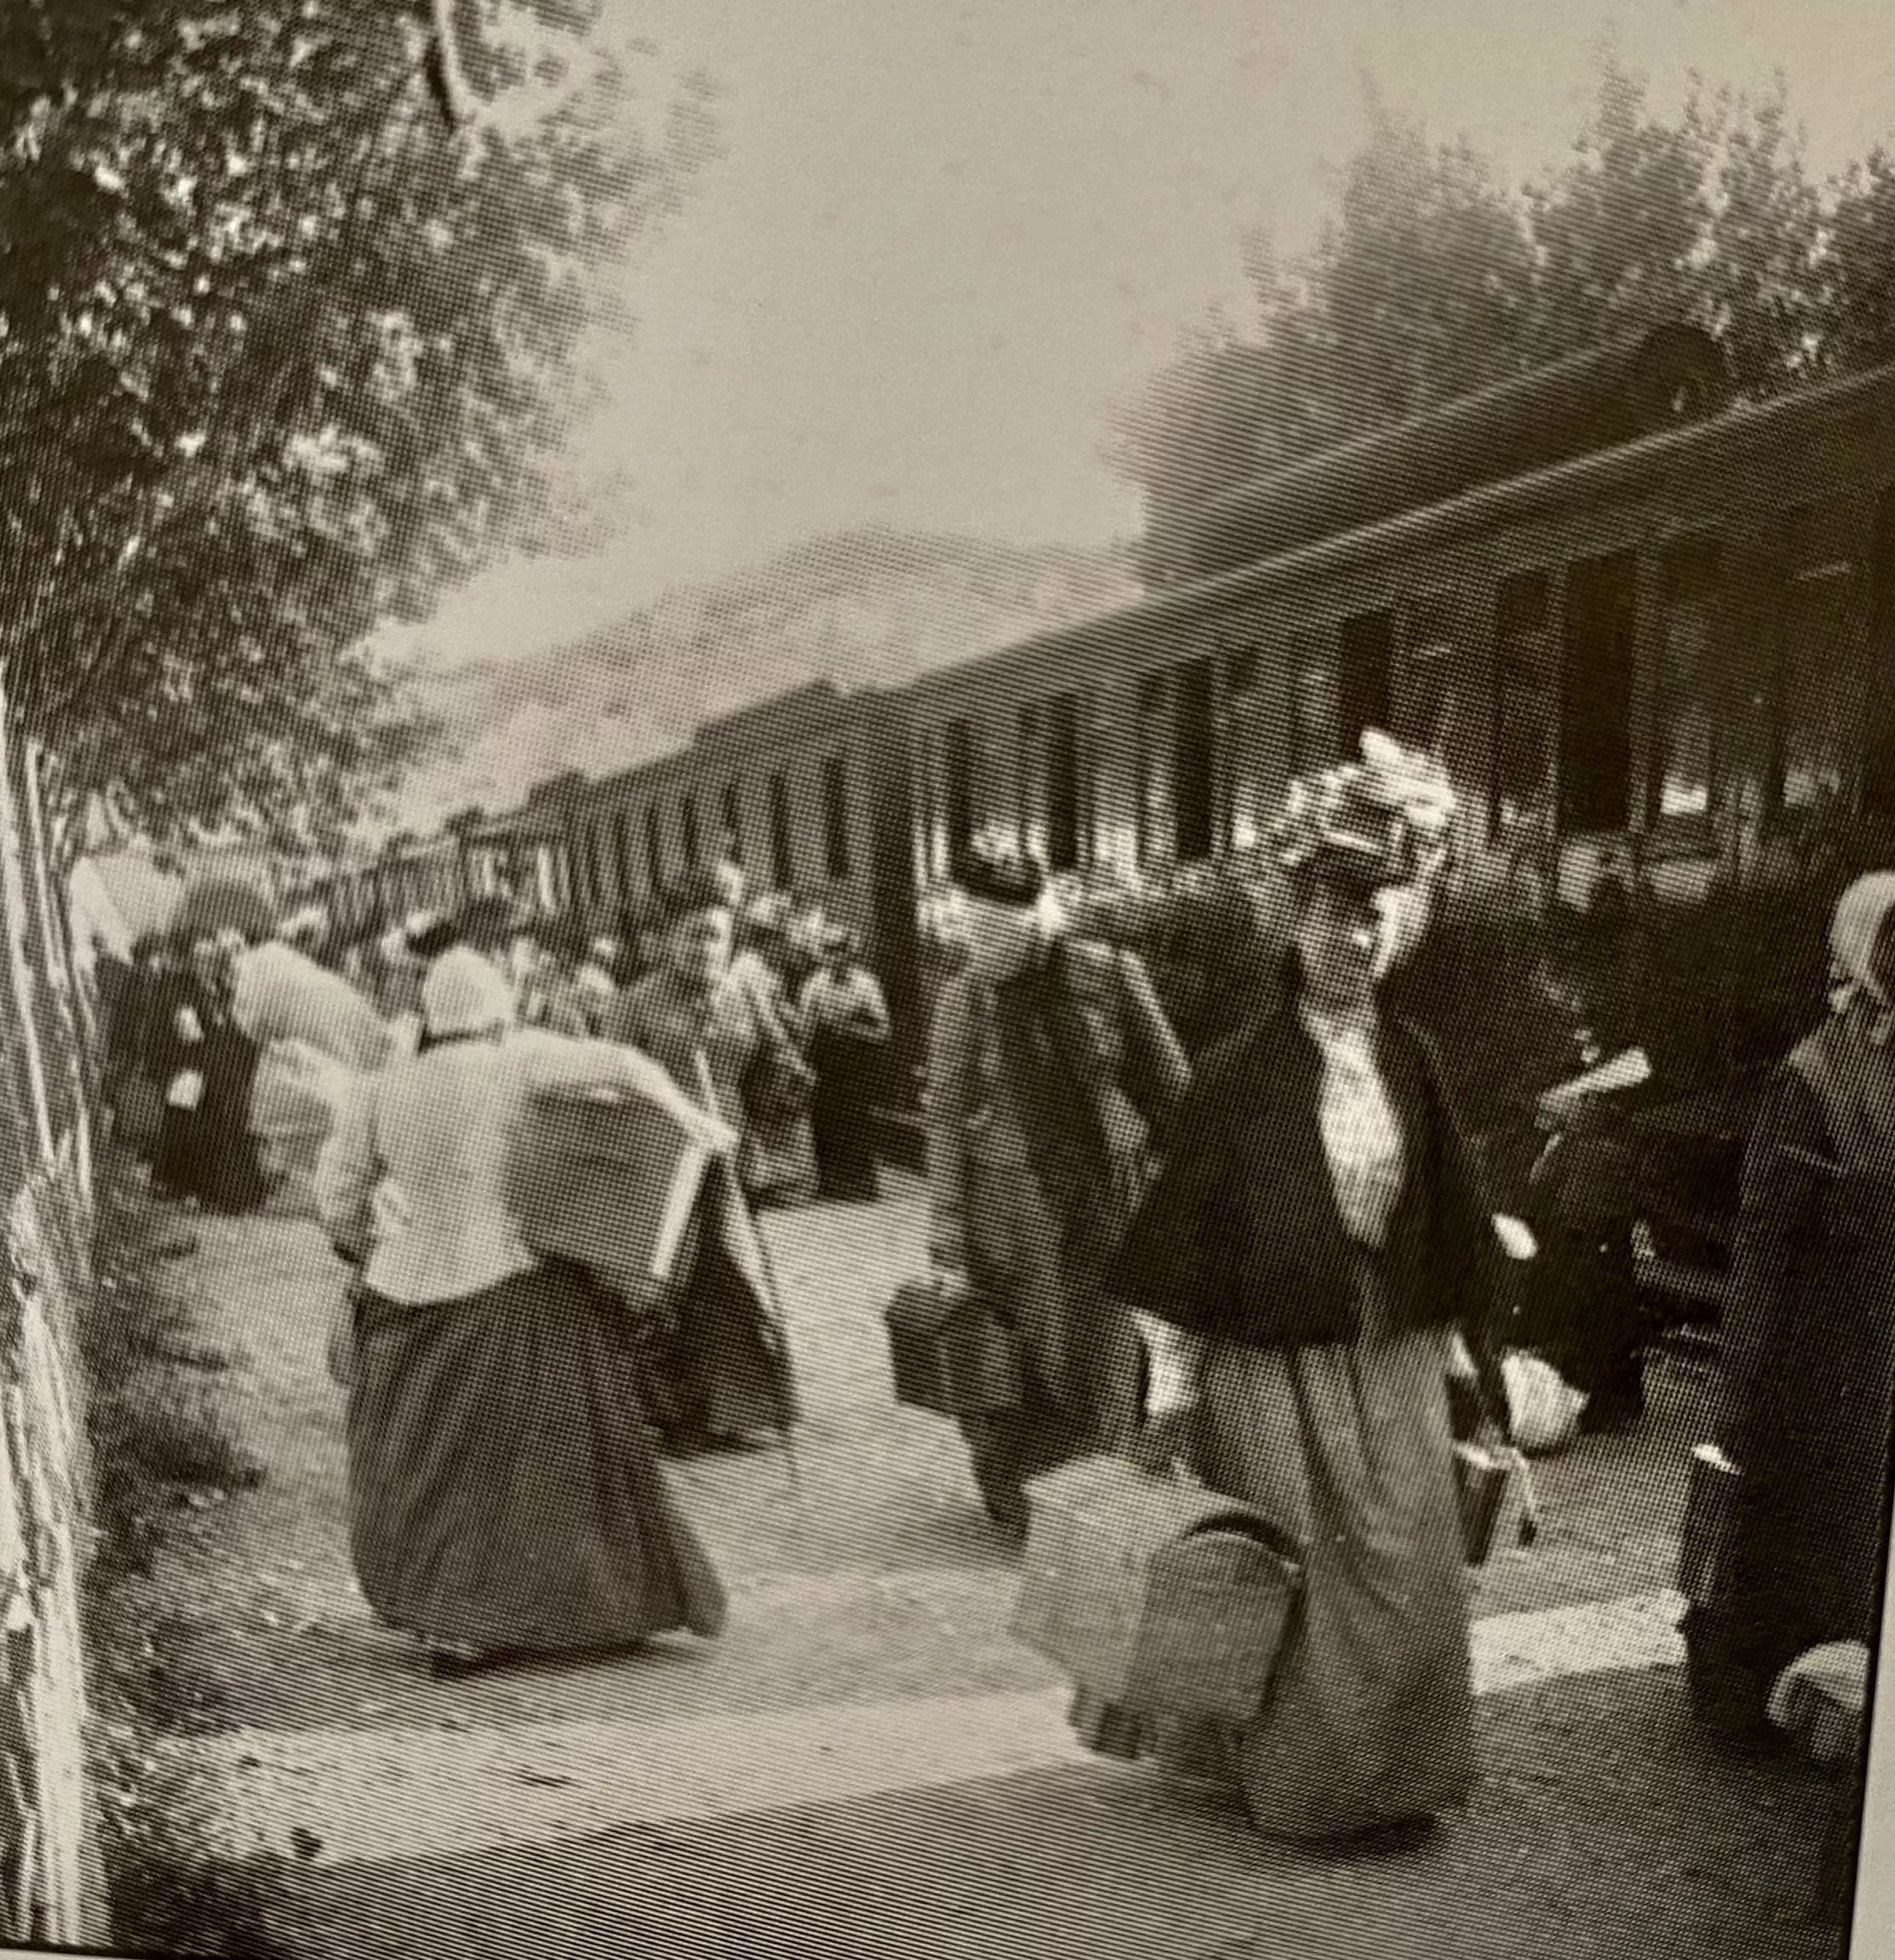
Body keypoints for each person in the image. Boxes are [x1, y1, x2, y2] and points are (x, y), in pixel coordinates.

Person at [1100, 737, 1510, 1853]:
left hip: (1392, 1352)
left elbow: (1443, 1232)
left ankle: (1401, 1777)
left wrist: (1467, 1375)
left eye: (1378, 913)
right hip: (1272, 1361)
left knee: (1409, 1561)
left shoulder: (1413, 1056)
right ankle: (1314, 1793)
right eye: (1335, 914)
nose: (1357, 938)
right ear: (1293, 921)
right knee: (1313, 1577)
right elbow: (1179, 1247)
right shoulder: (1239, 1072)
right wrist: (1172, 1396)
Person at [312, 946, 735, 1676]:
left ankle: (446, 1615)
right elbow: (629, 1067)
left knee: (424, 1459)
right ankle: (560, 1609)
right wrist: (698, 1124)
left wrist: (373, 1249)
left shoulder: (382, 1085)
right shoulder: (521, 1059)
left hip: (405, 1291)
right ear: (499, 1015)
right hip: (508, 1282)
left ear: (430, 1018)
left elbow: (339, 1200)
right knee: (539, 1457)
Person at [924, 844, 1191, 1536]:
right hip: (1004, 1217)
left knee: (1103, 1352)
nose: (981, 949)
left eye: (999, 935)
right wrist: (947, 1240)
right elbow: (947, 1120)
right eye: (971, 932)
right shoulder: (964, 1001)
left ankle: (1093, 1499)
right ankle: (1023, 1492)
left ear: (1038, 923)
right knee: (1018, 1358)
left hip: (1104, 1202)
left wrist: (1182, 1181)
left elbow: (1176, 1092)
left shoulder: (1108, 974)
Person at [1687, 871, 1895, 1746]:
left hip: (1880, 1351)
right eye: (1891, 944)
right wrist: (1739, 1386)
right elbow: (1765, 1247)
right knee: (1788, 1533)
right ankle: (1766, 1693)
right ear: (1860, 951)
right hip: (1814, 1358)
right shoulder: (1811, 1076)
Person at [600, 873, 802, 1454]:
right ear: (666, 941)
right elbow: (613, 1082)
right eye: (691, 937)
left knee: (735, 1276)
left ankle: (738, 1407)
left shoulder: (742, 996)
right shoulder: (633, 1003)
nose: (704, 948)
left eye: (715, 936)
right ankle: (672, 1413)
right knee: (670, 1284)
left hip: (728, 1162)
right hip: (661, 1165)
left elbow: (778, 1057)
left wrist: (785, 1079)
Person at [151, 932, 271, 1214]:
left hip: (225, 1065)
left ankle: (243, 1193)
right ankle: (217, 1195)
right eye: (201, 959)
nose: (207, 964)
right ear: (192, 962)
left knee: (233, 1126)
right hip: (202, 1068)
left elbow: (232, 1024)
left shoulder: (219, 988)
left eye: (211, 959)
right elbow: (187, 1033)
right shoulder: (184, 993)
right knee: (211, 1132)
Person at [727, 898, 819, 1209]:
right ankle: (778, 1191)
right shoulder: (749, 970)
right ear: (770, 939)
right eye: (785, 939)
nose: (791, 948)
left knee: (784, 1127)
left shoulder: (762, 969)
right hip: (767, 1065)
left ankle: (782, 1187)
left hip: (776, 1061)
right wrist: (795, 1063)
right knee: (777, 1126)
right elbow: (768, 1026)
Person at [800, 928, 891, 1200]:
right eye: (829, 951)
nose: (836, 958)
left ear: (850, 953)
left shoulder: (866, 983)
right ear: (823, 955)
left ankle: (863, 1184)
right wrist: (805, 1065)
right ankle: (830, 1184)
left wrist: (851, 1028)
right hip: (826, 1062)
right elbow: (807, 1030)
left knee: (856, 1119)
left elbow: (884, 1031)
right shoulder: (814, 984)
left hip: (856, 1063)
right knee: (824, 1119)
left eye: (841, 951)